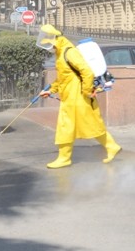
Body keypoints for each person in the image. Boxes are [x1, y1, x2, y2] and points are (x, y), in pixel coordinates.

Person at [36, 24, 121, 169]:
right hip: (71, 98)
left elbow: (87, 72)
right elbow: (63, 78)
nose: (48, 48)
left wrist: (87, 91)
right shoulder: (61, 53)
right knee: (78, 126)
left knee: (80, 126)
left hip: (78, 98)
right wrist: (50, 90)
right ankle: (110, 147)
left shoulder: (69, 52)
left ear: (55, 40)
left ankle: (65, 158)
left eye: (48, 45)